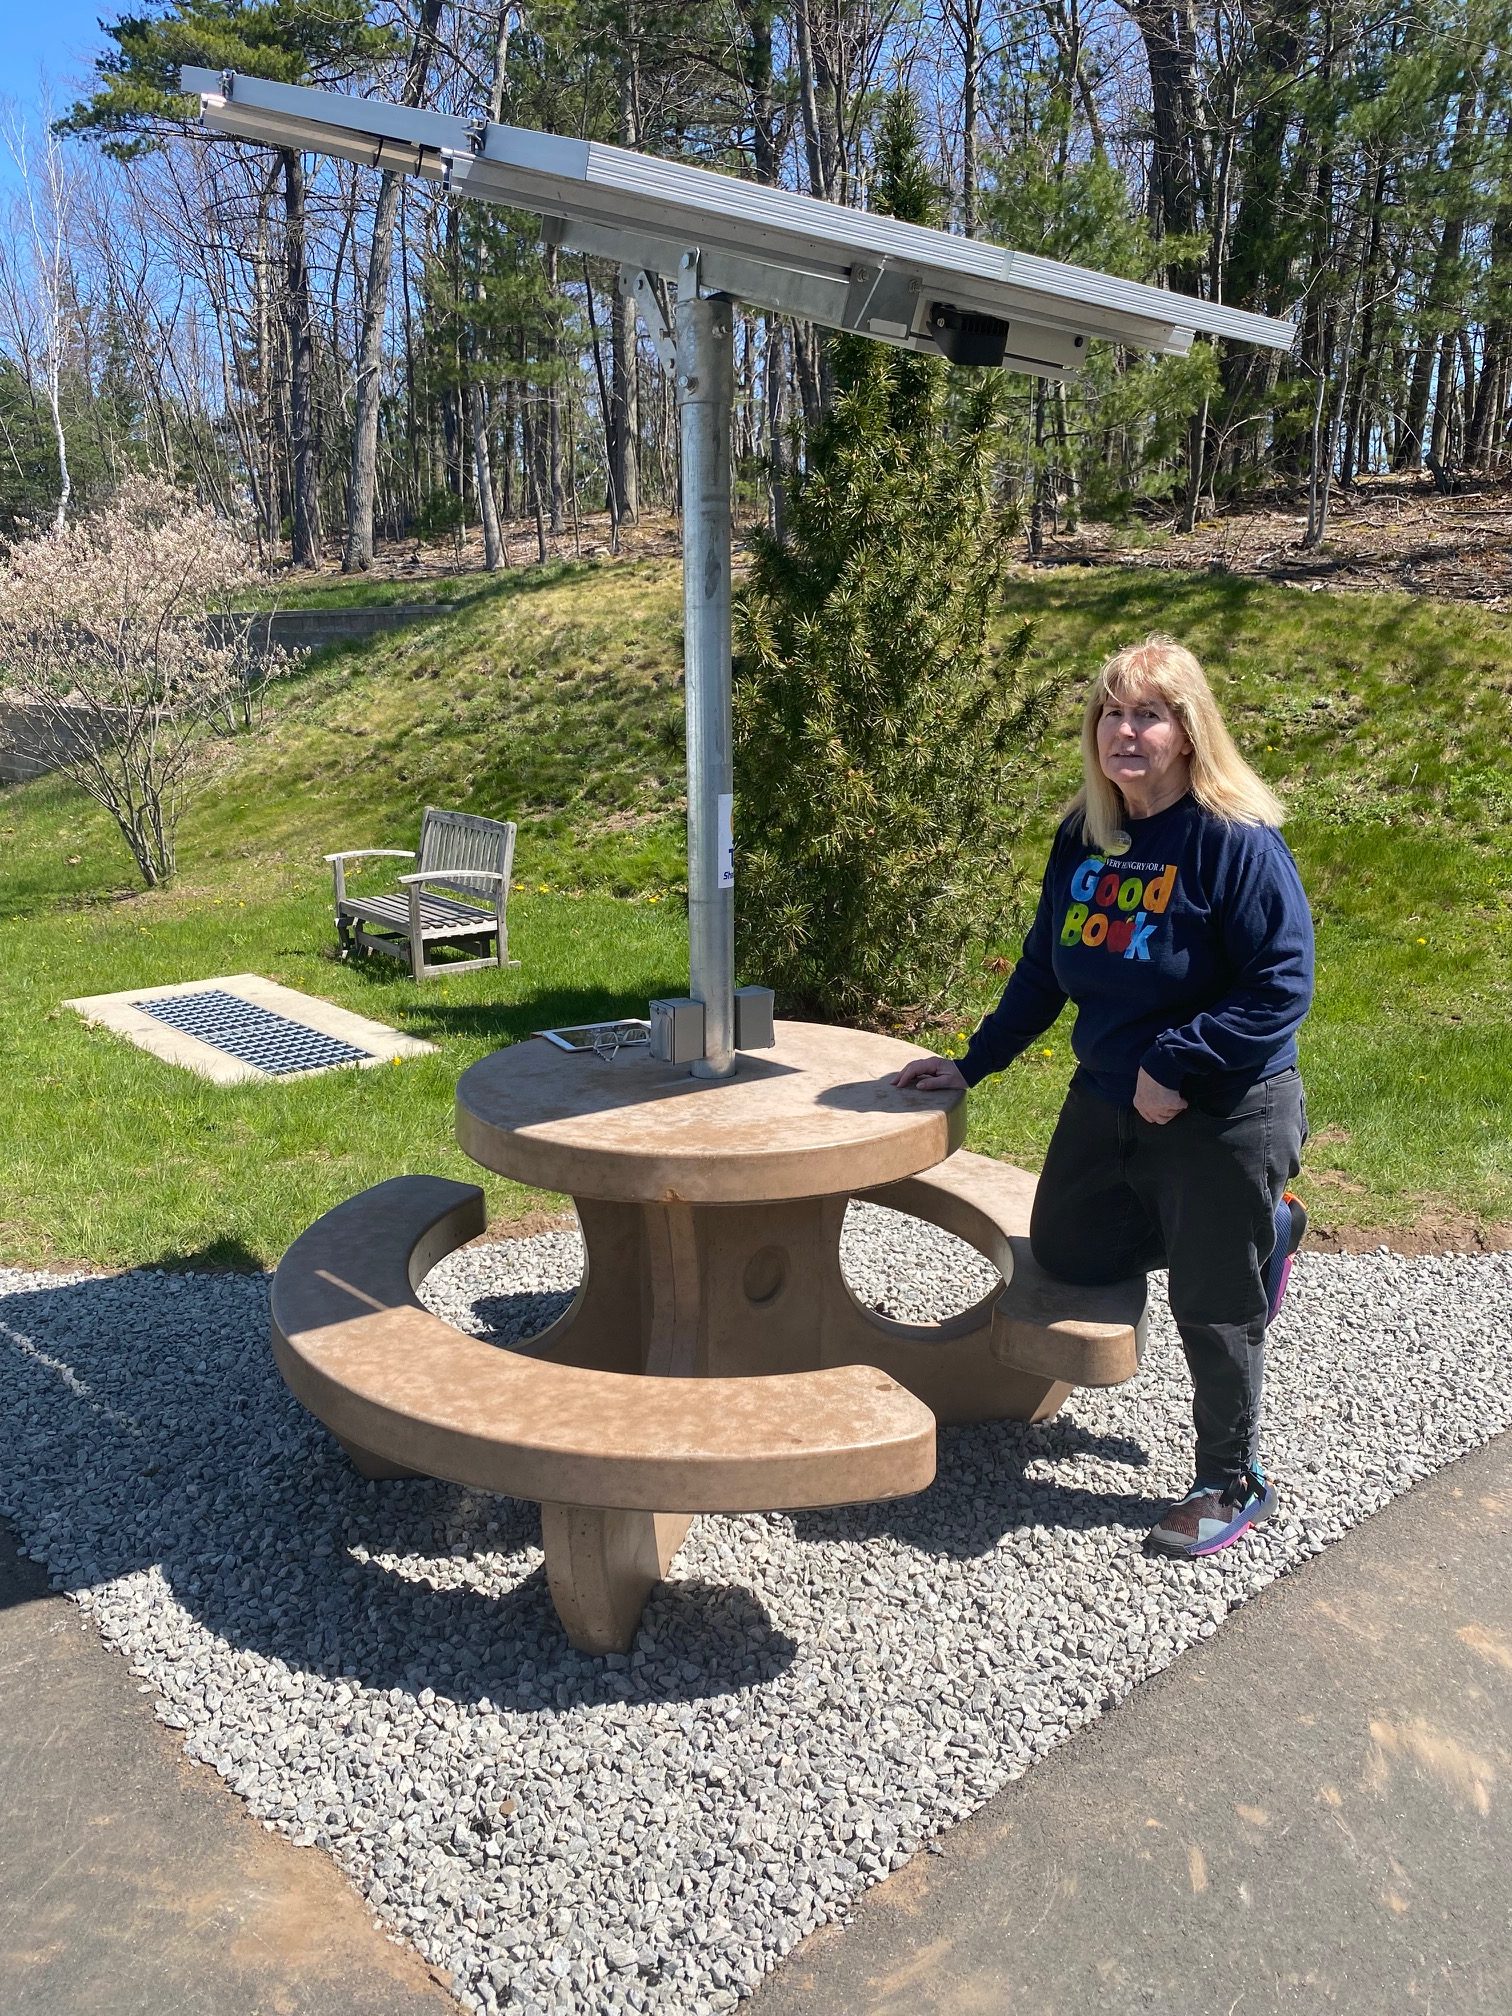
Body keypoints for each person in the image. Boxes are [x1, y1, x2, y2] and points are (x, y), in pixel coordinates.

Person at [891, 636, 1313, 1560]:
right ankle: (1259, 1230)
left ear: (1189, 731)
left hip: (1224, 1107)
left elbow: (1282, 984)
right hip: (1110, 1094)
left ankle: (1229, 1478)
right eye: (1111, 713)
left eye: (1148, 714)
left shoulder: (1234, 841)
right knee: (1074, 1255)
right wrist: (973, 1063)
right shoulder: (1088, 836)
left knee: (1213, 1302)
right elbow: (1047, 965)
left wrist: (1180, 1064)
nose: (1126, 731)